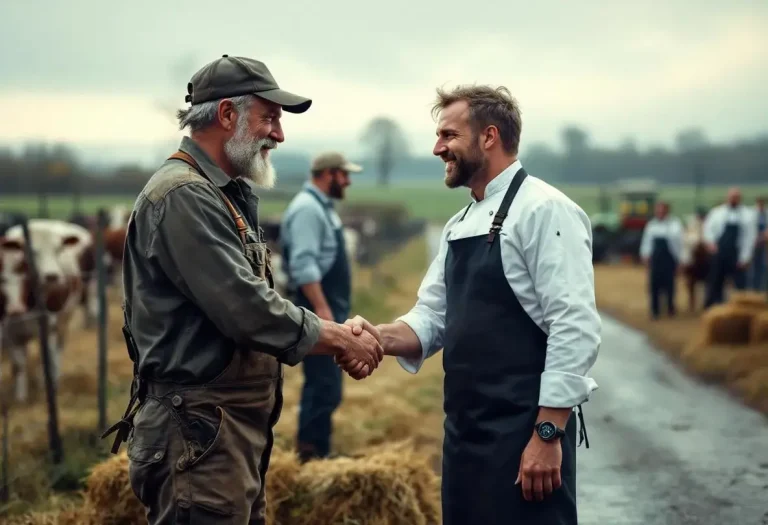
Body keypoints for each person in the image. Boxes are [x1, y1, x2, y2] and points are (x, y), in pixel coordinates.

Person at [102, 55, 382, 525]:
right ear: (227, 115)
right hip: (197, 436)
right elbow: (246, 308)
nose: (279, 133)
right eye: (270, 117)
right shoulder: (183, 196)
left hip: (221, 435)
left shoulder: (220, 193)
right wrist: (338, 338)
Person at [341, 85, 600, 525]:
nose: (438, 147)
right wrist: (375, 338)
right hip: (464, 433)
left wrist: (548, 432)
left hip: (524, 434)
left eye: (448, 135)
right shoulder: (459, 223)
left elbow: (573, 324)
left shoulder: (546, 210)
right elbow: (432, 317)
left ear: (489, 137)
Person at [279, 151, 363, 462]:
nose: (348, 181)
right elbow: (304, 267)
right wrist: (324, 315)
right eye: (344, 174)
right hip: (319, 311)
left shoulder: (322, 208)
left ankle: (319, 451)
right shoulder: (307, 210)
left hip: (329, 309)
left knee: (327, 386)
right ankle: (310, 457)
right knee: (321, 385)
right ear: (328, 174)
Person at [702, 187, 757, 307]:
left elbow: (749, 237)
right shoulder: (717, 212)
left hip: (737, 253)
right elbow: (708, 230)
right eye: (731, 197)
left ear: (740, 199)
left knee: (740, 283)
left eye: (736, 197)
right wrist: (711, 243)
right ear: (727, 197)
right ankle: (715, 306)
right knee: (716, 281)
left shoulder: (748, 215)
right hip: (719, 252)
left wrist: (745, 258)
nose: (733, 199)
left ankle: (741, 308)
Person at [639, 201, 684, 319]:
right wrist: (645, 255)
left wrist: (680, 260)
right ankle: (655, 310)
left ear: (667, 211)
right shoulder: (652, 225)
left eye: (662, 210)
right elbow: (647, 241)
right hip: (656, 259)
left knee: (670, 284)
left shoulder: (675, 224)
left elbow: (679, 243)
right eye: (658, 210)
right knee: (654, 284)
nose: (660, 212)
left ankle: (670, 307)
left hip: (669, 259)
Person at [749, 196, 766, 291]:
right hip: (753, 244)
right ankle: (753, 288)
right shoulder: (751, 213)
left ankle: (761, 288)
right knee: (752, 266)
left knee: (762, 266)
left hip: (764, 244)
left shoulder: (765, 213)